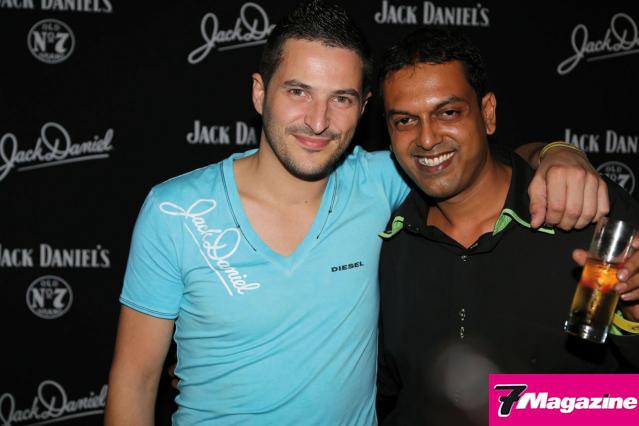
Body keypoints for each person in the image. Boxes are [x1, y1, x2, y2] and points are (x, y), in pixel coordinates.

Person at [105, 2, 612, 425]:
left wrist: (557, 153)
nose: (318, 121)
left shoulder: (382, 180)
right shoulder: (175, 210)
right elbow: (135, 382)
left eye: (341, 99)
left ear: (365, 106)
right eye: (298, 91)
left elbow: (477, 160)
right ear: (260, 92)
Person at [376, 27, 639, 425]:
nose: (427, 139)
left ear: (487, 113)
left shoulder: (586, 211)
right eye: (405, 120)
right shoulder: (388, 241)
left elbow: (624, 400)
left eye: (449, 113)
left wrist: (511, 405)